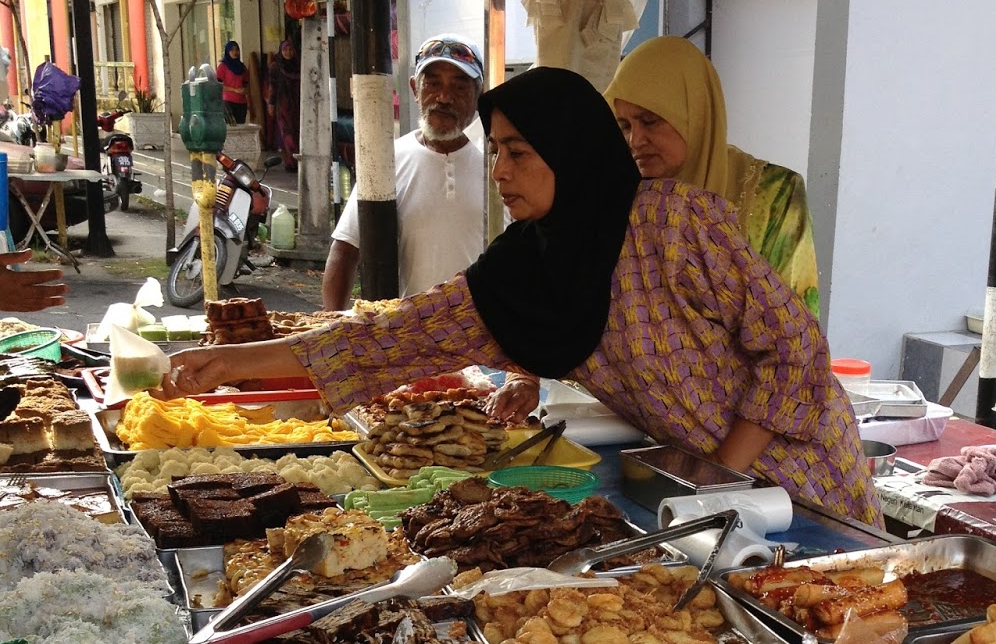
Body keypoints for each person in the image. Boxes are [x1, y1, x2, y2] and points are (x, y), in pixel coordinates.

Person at [163, 67, 882, 525]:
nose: (500, 170)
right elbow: (395, 335)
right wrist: (233, 365)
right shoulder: (524, 269)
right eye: (498, 150)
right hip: (701, 484)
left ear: (570, 152)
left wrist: (721, 473)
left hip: (799, 473)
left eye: (519, 152)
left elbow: (794, 348)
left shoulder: (675, 224)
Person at [605, 36, 820, 317]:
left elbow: (796, 325)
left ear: (696, 112)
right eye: (624, 126)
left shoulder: (774, 193)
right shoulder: (623, 198)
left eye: (650, 121)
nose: (635, 140)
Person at [322, 36, 486, 312]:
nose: (444, 97)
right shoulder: (387, 161)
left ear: (478, 95)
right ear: (414, 89)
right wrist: (329, 326)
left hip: (479, 339)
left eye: (459, 86)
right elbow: (346, 250)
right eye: (433, 84)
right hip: (408, 338)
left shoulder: (497, 166)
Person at [266, 37, 301, 170]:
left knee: (297, 132)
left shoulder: (298, 66)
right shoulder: (275, 67)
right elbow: (272, 87)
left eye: (290, 49)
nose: (288, 52)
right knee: (287, 133)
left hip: (297, 104)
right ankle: (290, 162)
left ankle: (297, 160)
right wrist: (271, 104)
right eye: (285, 49)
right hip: (283, 105)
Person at [216, 41, 248, 124]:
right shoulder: (222, 67)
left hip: (242, 102)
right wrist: (234, 90)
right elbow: (218, 86)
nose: (235, 52)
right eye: (232, 50)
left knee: (240, 128)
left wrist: (245, 90)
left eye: (236, 49)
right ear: (227, 51)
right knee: (231, 127)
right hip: (228, 102)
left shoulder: (242, 67)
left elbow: (246, 83)